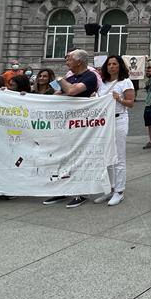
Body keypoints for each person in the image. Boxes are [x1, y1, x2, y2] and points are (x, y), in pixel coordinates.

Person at [44, 49, 99, 209]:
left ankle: (81, 192)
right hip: (66, 122)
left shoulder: (90, 76)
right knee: (64, 156)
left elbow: (72, 91)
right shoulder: (70, 77)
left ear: (79, 61)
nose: (66, 60)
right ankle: (64, 188)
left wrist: (61, 79)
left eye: (69, 58)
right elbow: (59, 94)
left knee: (80, 157)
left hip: (83, 124)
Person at [91, 55, 134, 207]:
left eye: (114, 64)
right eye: (109, 64)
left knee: (119, 157)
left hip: (119, 119)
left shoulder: (125, 82)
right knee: (107, 157)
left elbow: (131, 103)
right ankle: (111, 188)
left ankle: (120, 191)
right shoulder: (103, 83)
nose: (111, 66)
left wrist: (119, 99)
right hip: (104, 122)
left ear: (120, 66)